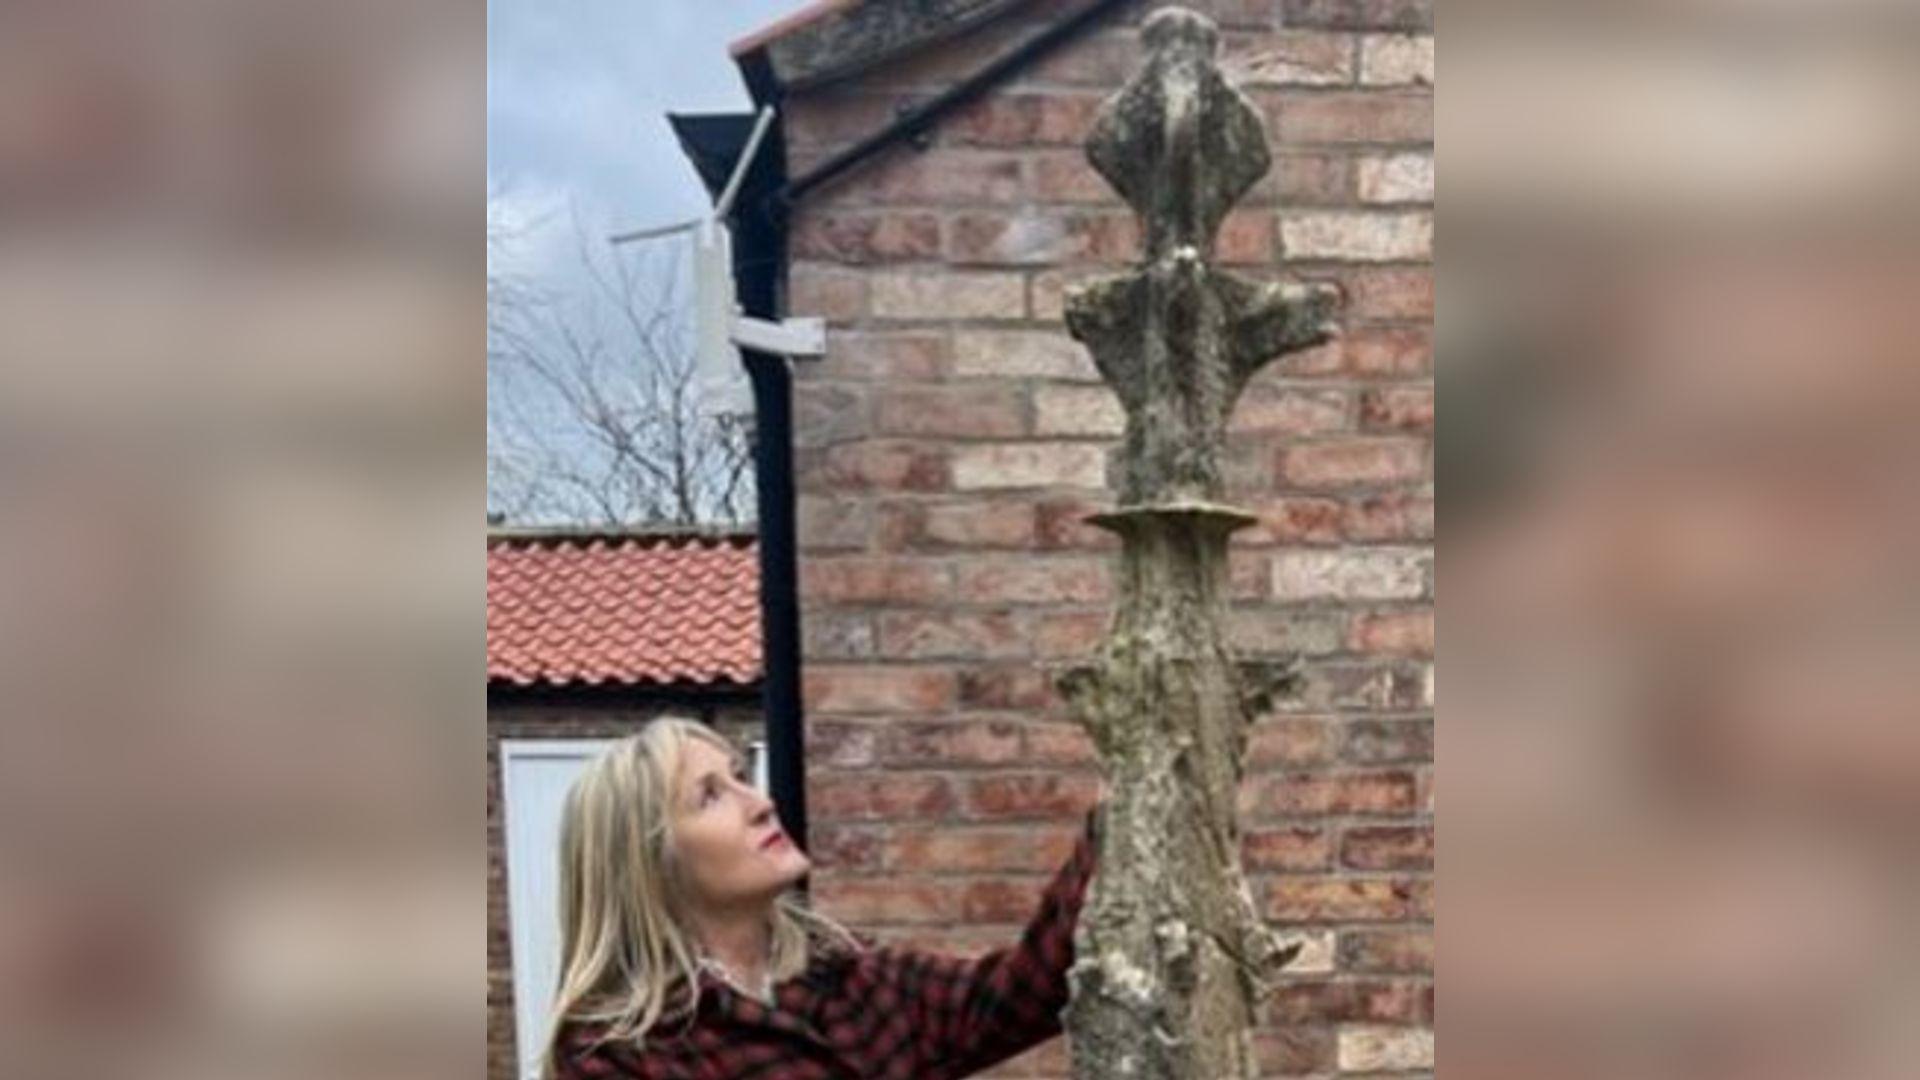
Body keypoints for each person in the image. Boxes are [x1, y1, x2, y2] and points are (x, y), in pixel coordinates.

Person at [539, 715, 1101, 1080]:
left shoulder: (851, 981)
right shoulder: (622, 1055)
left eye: (740, 776)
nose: (758, 803)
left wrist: (1112, 820)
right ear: (650, 862)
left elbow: (1023, 993)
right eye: (710, 797)